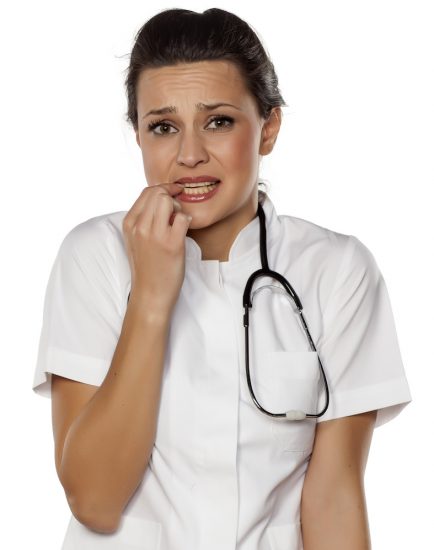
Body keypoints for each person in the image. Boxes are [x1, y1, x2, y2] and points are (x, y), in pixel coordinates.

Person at [31, 7, 412, 550]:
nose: (189, 155)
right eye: (163, 126)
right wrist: (152, 299)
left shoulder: (337, 270)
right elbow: (94, 498)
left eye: (219, 121)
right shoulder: (93, 258)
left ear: (269, 128)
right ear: (137, 136)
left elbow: (333, 496)